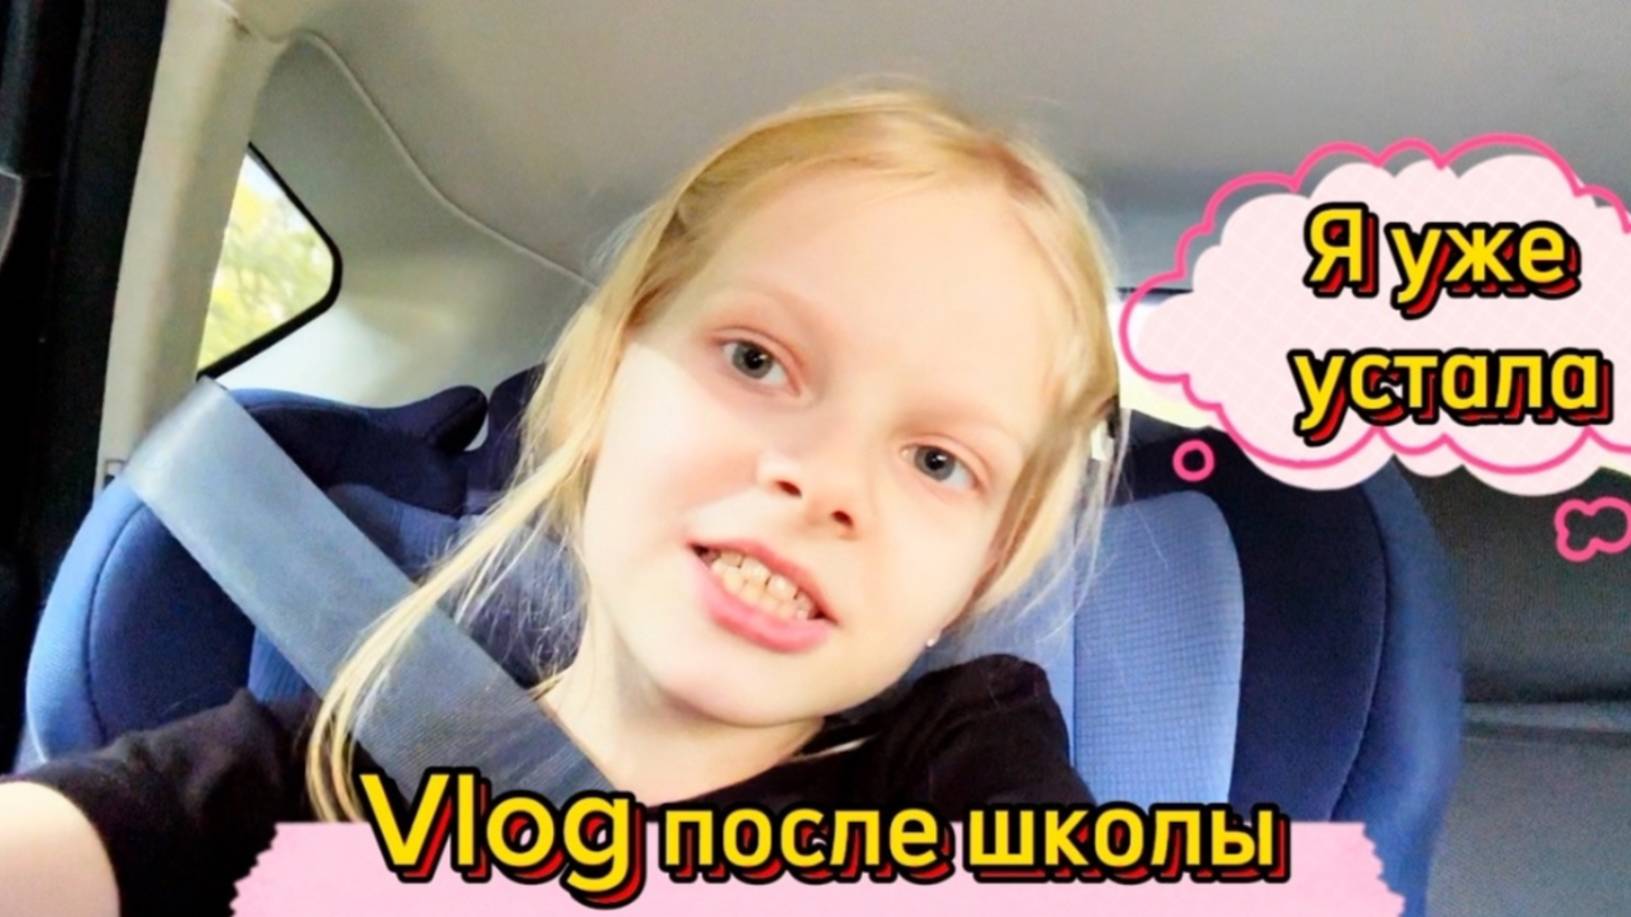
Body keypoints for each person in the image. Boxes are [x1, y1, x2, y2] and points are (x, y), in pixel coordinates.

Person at [0, 83, 1123, 915]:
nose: (824, 480)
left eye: (937, 461)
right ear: (611, 378)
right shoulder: (331, 772)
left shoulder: (951, 772)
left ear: (980, 566)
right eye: (756, 360)